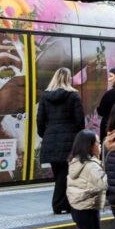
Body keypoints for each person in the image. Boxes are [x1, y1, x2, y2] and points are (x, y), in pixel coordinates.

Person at [37, 68, 86, 214]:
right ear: (69, 78)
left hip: (51, 138)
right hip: (69, 140)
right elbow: (80, 121)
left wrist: (46, 135)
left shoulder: (45, 96)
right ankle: (58, 205)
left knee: (59, 173)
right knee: (65, 174)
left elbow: (40, 120)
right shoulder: (73, 96)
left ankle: (64, 204)